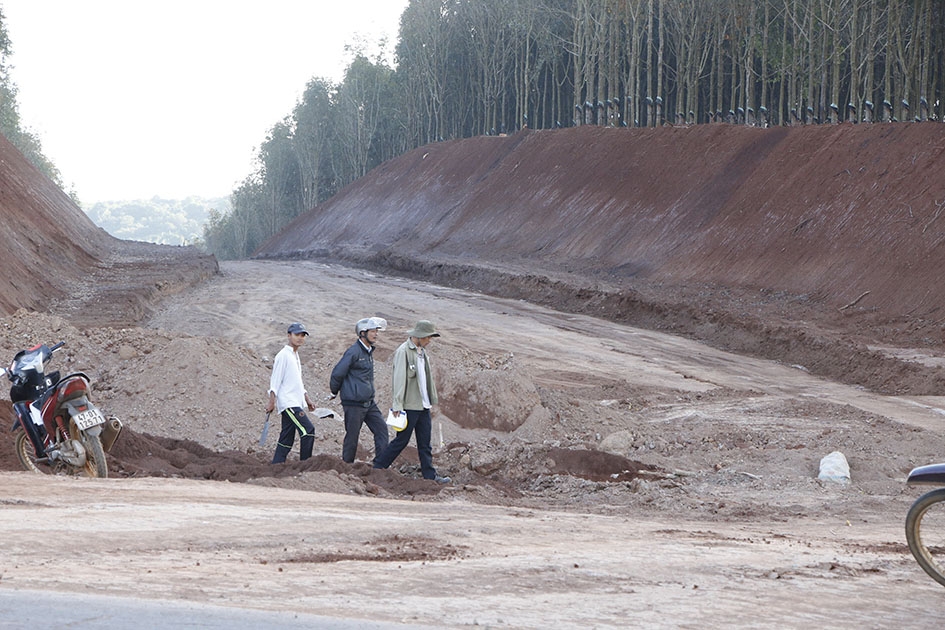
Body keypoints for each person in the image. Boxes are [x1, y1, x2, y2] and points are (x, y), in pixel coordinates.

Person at [373, 320, 450, 483]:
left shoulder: (422, 352)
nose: (430, 340)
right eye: (428, 337)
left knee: (425, 443)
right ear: (420, 336)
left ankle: (430, 477)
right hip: (409, 405)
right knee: (401, 440)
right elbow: (399, 380)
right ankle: (378, 467)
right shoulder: (404, 352)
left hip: (423, 405)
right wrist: (397, 405)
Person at [329, 317, 390, 464]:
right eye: (373, 331)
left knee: (382, 431)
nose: (376, 334)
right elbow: (338, 372)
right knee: (352, 437)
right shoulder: (354, 352)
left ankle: (380, 466)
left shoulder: (368, 352)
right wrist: (334, 391)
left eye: (376, 331)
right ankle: (346, 468)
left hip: (368, 402)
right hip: (354, 403)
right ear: (363, 333)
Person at [267, 322, 317, 464]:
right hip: (288, 403)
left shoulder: (295, 355)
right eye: (297, 335)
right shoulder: (283, 355)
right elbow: (275, 381)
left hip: (296, 401)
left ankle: (276, 465)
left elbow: (297, 381)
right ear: (289, 336)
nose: (300, 338)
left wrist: (307, 399)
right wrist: (272, 401)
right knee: (308, 430)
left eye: (302, 335)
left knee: (287, 437)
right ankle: (305, 465)